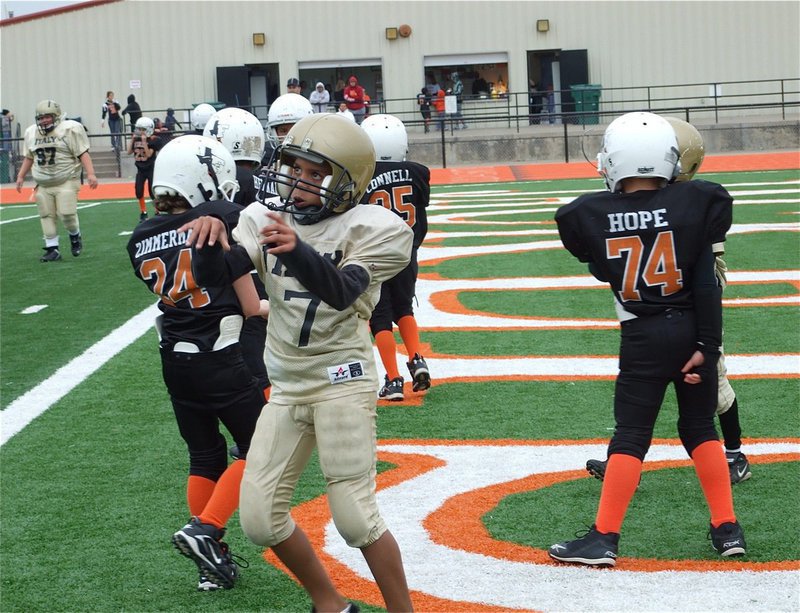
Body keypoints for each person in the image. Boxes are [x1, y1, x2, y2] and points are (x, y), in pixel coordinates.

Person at [182, 113, 414, 612]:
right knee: (259, 519)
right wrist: (204, 243)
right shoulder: (262, 217)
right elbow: (220, 274)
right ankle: (330, 603)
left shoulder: (372, 227)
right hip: (287, 385)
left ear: (346, 181)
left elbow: (343, 290)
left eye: (315, 173)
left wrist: (301, 251)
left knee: (355, 517)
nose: (299, 181)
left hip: (341, 382)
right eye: (294, 167)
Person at [549, 111, 744, 567]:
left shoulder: (586, 213)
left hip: (642, 335)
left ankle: (604, 537)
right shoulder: (698, 202)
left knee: (632, 433)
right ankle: (727, 528)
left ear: (614, 161)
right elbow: (706, 283)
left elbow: (598, 265)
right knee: (700, 428)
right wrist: (709, 347)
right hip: (693, 331)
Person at [127, 134, 267, 592]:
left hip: (174, 360)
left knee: (204, 454)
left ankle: (211, 564)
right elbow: (249, 306)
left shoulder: (140, 236)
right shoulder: (222, 217)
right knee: (260, 446)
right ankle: (206, 528)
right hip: (221, 355)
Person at [585, 116, 752, 487]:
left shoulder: (690, 205)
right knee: (639, 397)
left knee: (715, 383)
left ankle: (735, 452)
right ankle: (621, 458)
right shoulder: (662, 200)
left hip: (691, 308)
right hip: (654, 314)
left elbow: (710, 272)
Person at [360, 114, 432, 401]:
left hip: (375, 256)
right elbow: (420, 203)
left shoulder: (362, 175)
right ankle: (417, 359)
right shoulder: (418, 171)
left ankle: (393, 379)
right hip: (407, 252)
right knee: (405, 308)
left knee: (380, 318)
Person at [203, 107, 271, 396]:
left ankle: (267, 430)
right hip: (269, 267)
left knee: (246, 354)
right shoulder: (266, 178)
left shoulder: (229, 180)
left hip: (240, 270)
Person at [15, 99, 97, 262]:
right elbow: (29, 157)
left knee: (66, 213)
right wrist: (20, 176)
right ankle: (52, 249)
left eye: (47, 117)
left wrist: (91, 174)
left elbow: (83, 153)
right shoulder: (32, 132)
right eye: (41, 117)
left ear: (56, 116)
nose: (43, 120)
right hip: (43, 183)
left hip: (65, 179)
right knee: (46, 215)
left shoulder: (69, 129)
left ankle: (75, 235)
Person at [260, 93, 315, 198]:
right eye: (283, 130)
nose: (290, 136)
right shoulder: (266, 157)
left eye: (296, 128)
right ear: (273, 132)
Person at [127, 116, 166, 222]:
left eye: (142, 129)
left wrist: (144, 143)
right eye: (139, 129)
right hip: (140, 169)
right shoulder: (136, 139)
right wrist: (132, 140)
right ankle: (143, 212)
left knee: (152, 191)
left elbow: (148, 155)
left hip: (151, 169)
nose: (140, 131)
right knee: (138, 191)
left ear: (149, 129)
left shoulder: (154, 140)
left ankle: (158, 210)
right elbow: (129, 152)